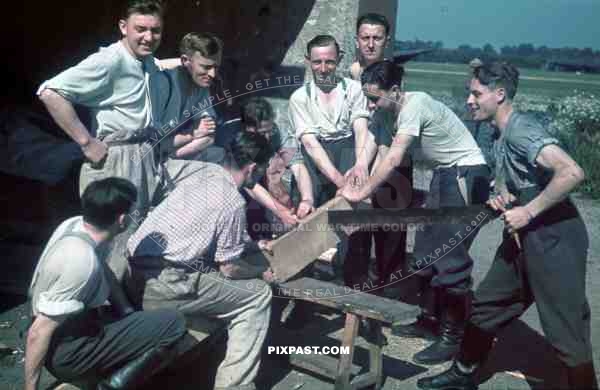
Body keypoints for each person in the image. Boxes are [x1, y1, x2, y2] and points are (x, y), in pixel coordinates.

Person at [417, 62, 598, 390]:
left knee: (565, 327)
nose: (470, 100)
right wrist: (506, 197)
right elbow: (526, 179)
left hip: (554, 236)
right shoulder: (500, 132)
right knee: (486, 305)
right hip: (523, 237)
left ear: (500, 94)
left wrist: (527, 212)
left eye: (476, 93)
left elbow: (572, 172)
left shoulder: (521, 129)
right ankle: (464, 373)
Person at [37, 1, 220, 280]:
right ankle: (89, 310)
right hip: (117, 156)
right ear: (123, 27)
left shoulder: (146, 63)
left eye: (155, 31)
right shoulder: (110, 60)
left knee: (130, 237)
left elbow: (164, 65)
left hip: (143, 154)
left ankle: (118, 309)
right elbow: (50, 92)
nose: (148, 37)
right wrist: (86, 142)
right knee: (106, 241)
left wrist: (186, 64)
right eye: (141, 29)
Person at [341, 60, 490, 365]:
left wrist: (363, 191)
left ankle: (451, 337)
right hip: (443, 173)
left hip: (465, 172)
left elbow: (395, 157)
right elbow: (381, 149)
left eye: (374, 98)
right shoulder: (386, 110)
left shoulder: (415, 104)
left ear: (395, 90)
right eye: (367, 98)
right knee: (424, 251)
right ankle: (429, 319)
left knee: (449, 256)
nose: (370, 105)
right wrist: (360, 172)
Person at [126, 131, 275, 390]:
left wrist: (253, 244)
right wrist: (260, 273)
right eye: (261, 171)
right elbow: (229, 268)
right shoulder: (233, 201)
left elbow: (205, 227)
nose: (261, 176)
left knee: (213, 293)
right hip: (166, 284)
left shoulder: (203, 173)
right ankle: (235, 386)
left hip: (133, 273)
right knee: (258, 295)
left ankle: (181, 365)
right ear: (251, 168)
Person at [25, 178, 186, 390]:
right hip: (69, 353)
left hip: (71, 331)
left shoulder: (76, 226)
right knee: (173, 323)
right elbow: (38, 332)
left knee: (133, 316)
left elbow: (103, 268)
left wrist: (127, 312)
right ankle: (108, 385)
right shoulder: (82, 262)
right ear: (121, 219)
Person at [289, 34, 377, 290]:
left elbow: (361, 128)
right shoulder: (299, 97)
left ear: (339, 59)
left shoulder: (353, 89)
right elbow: (310, 145)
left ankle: (355, 290)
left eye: (329, 61)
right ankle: (300, 293)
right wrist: (339, 181)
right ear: (308, 61)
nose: (324, 68)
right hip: (316, 154)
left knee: (356, 219)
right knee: (305, 217)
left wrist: (360, 166)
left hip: (347, 149)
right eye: (317, 62)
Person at [350, 13, 413, 292]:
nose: (371, 44)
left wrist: (375, 171)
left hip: (391, 162)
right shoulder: (351, 73)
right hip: (360, 160)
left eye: (377, 38)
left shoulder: (394, 75)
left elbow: (388, 132)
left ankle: (388, 298)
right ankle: (357, 298)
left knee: (390, 236)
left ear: (386, 42)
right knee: (358, 235)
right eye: (366, 38)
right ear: (357, 40)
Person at [217, 97, 314, 237]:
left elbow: (298, 166)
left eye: (270, 131)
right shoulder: (229, 136)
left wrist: (307, 199)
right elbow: (248, 183)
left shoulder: (278, 129)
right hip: (231, 182)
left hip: (258, 170)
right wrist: (280, 211)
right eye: (262, 133)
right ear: (246, 128)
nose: (268, 137)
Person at [151, 32, 222, 161]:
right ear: (185, 61)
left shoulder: (201, 85)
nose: (212, 74)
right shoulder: (162, 83)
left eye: (216, 67)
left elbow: (207, 131)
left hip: (170, 152)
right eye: (206, 67)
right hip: (146, 149)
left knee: (214, 146)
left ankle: (166, 162)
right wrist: (191, 134)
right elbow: (152, 143)